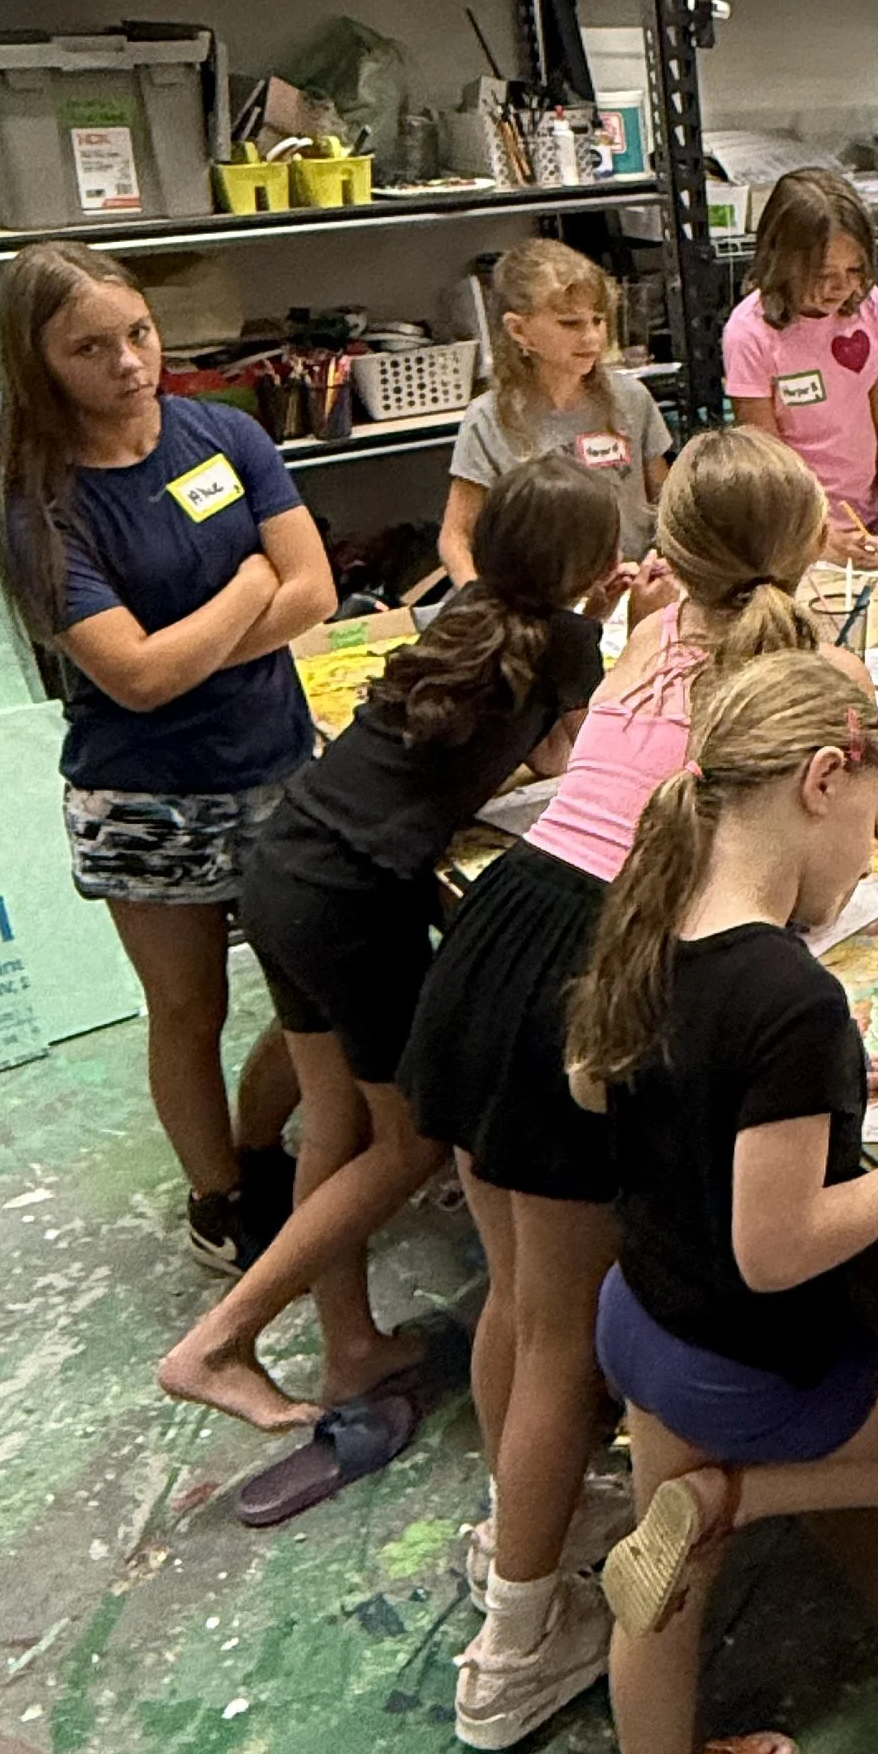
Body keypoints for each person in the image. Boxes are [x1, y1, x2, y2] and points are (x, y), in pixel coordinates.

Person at [400, 429, 846, 1749]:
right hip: (577, 983)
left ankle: (513, 1537)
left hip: (496, 937)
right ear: (804, 554)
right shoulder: (788, 678)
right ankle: (515, 1647)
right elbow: (810, 874)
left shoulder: (649, 635)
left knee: (518, 1302)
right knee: (556, 1340)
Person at [566, 651, 878, 1754]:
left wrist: (808, 1107)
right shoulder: (788, 995)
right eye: (872, 826)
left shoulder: (653, 910)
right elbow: (779, 1252)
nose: (870, 858)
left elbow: (627, 1087)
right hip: (746, 1363)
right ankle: (729, 1502)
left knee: (664, 1596)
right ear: (821, 783)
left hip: (639, 1316)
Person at [157, 457, 622, 1474]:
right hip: (353, 898)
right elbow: (557, 763)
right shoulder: (568, 641)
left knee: (339, 1123)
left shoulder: (463, 613)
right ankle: (220, 1340)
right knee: (409, 1144)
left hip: (285, 865)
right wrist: (604, 628)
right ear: (594, 563)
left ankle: (350, 1347)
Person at [0, 242, 335, 1273]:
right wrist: (242, 588)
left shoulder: (222, 435)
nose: (130, 364)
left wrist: (195, 635)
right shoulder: (36, 510)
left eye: (137, 333)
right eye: (91, 348)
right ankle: (219, 1197)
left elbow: (313, 590)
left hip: (277, 760)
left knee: (315, 993)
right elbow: (133, 680)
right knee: (188, 1010)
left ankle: (260, 1142)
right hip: (147, 797)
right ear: (39, 363)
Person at [721, 168, 878, 567]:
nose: (842, 288)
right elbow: (769, 465)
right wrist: (819, 538)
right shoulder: (749, 334)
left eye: (854, 271)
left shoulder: (869, 305)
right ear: (781, 260)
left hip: (869, 521)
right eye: (823, 275)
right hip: (797, 533)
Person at [441, 240, 670, 590]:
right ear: (519, 331)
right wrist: (480, 604)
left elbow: (670, 504)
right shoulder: (487, 419)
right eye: (570, 323)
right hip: (537, 600)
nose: (592, 337)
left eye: (598, 320)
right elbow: (456, 539)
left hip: (628, 588)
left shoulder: (632, 400)